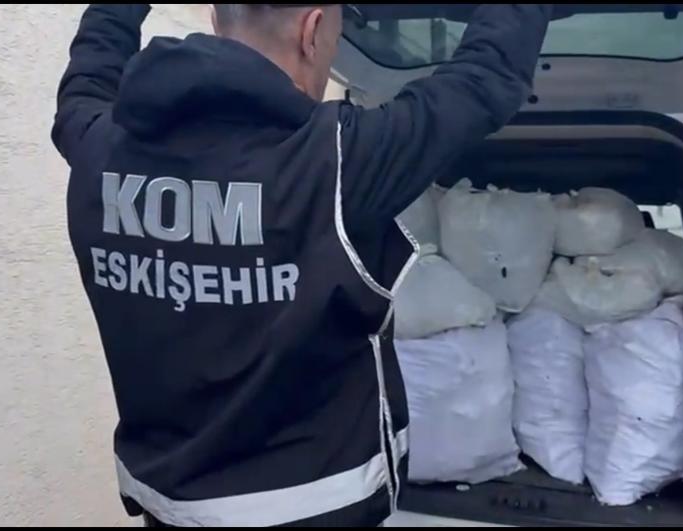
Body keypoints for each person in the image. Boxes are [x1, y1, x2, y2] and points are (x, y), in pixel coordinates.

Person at [51, 3, 551, 527]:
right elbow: (483, 81)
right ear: (312, 32)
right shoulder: (335, 160)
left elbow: (86, 77)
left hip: (169, 509)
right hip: (315, 510)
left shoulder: (100, 147)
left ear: (218, 22)